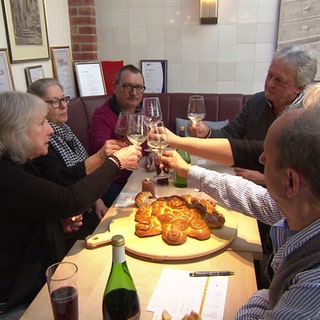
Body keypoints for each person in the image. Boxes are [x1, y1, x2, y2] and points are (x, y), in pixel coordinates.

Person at [161, 106, 320, 318]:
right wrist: (188, 171)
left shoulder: (313, 284)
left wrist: (262, 297)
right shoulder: (302, 207)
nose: (260, 160)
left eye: (268, 158)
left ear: (290, 182)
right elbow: (251, 196)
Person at [0, 91, 142, 316]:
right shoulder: (6, 175)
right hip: (20, 302)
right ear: (17, 132)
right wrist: (116, 162)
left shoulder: (22, 163)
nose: (51, 129)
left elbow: (60, 188)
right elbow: (70, 200)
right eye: (42, 123)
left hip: (45, 278)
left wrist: (57, 221)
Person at [188, 45, 317, 185]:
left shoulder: (308, 116)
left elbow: (309, 181)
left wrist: (264, 180)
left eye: (279, 80)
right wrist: (206, 132)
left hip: (283, 199)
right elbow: (231, 134)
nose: (270, 84)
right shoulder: (257, 101)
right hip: (245, 186)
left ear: (300, 87)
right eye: (270, 75)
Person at [27, 78, 124, 250]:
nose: (64, 105)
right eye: (54, 102)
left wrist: (97, 201)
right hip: (72, 222)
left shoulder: (65, 129)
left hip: (85, 208)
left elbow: (82, 171)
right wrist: (104, 157)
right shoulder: (40, 145)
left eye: (64, 99)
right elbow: (61, 179)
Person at [89, 64, 146, 206]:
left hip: (138, 177)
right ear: (115, 88)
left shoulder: (142, 112)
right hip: (111, 184)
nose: (134, 93)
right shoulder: (102, 115)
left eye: (139, 88)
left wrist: (151, 154)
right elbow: (101, 149)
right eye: (128, 87)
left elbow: (151, 142)